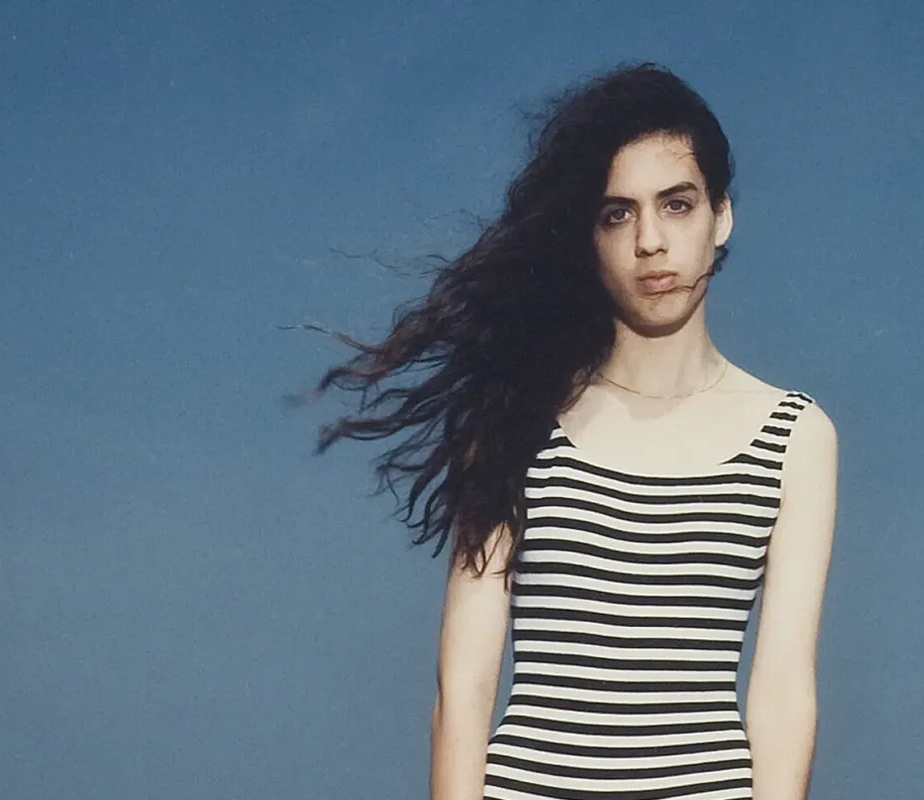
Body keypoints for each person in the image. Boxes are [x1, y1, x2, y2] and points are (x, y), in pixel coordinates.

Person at [307, 62, 839, 800]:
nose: (650, 241)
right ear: (588, 236)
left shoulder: (794, 434)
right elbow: (461, 692)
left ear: (722, 216)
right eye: (617, 213)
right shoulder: (517, 416)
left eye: (677, 205)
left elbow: (783, 694)